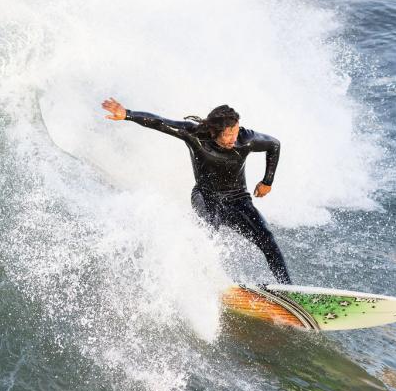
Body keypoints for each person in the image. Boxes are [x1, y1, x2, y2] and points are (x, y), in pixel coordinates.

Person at [101, 97, 292, 284]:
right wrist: (127, 114)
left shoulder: (245, 139)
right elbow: (160, 122)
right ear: (214, 131)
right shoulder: (195, 135)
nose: (234, 138)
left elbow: (274, 145)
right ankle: (211, 283)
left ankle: (289, 290)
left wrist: (267, 181)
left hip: (238, 199)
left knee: (267, 238)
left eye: (235, 131)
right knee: (210, 230)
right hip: (205, 195)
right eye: (228, 134)